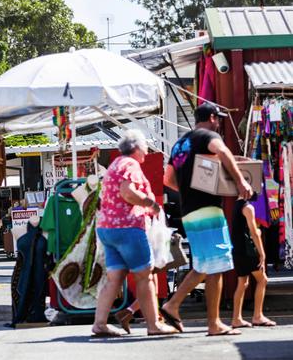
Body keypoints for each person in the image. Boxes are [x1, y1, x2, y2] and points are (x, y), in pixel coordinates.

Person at [162, 102, 253, 336]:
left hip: (189, 211)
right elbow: (222, 152)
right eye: (218, 118)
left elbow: (168, 179)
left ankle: (173, 305)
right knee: (217, 265)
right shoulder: (208, 136)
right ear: (212, 117)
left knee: (205, 264)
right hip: (208, 209)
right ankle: (212, 323)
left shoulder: (180, 144)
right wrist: (241, 181)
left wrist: (189, 189)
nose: (219, 122)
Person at [92, 129, 178, 337]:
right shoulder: (130, 164)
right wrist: (151, 204)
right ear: (137, 147)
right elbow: (128, 193)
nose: (147, 152)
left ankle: (100, 323)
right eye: (146, 147)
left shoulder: (115, 164)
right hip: (128, 227)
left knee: (114, 278)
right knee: (144, 276)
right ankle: (153, 324)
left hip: (108, 228)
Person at [230, 195, 276, 329]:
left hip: (238, 250)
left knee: (242, 283)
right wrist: (262, 253)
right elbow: (254, 232)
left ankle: (236, 318)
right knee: (263, 280)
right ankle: (257, 316)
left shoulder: (237, 205)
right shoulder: (248, 207)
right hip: (248, 251)